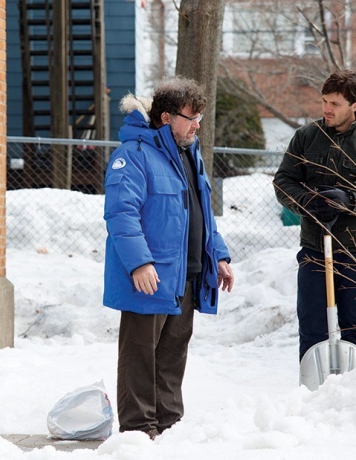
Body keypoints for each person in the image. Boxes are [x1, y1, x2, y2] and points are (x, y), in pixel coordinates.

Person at [103, 76, 234, 440]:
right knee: (140, 356)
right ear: (165, 117)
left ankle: (169, 425)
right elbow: (121, 214)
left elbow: (203, 214)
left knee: (173, 354)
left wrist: (218, 255)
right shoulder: (134, 155)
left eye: (199, 119)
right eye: (190, 118)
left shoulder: (189, 156)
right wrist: (140, 263)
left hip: (186, 275)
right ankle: (138, 430)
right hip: (149, 276)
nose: (196, 126)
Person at [273, 69, 356, 363]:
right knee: (312, 326)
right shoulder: (307, 137)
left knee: (355, 327)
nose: (326, 109)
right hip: (314, 248)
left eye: (335, 104)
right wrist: (306, 200)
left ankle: (351, 394)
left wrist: (351, 201)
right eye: (324, 101)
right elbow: (284, 181)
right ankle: (313, 396)